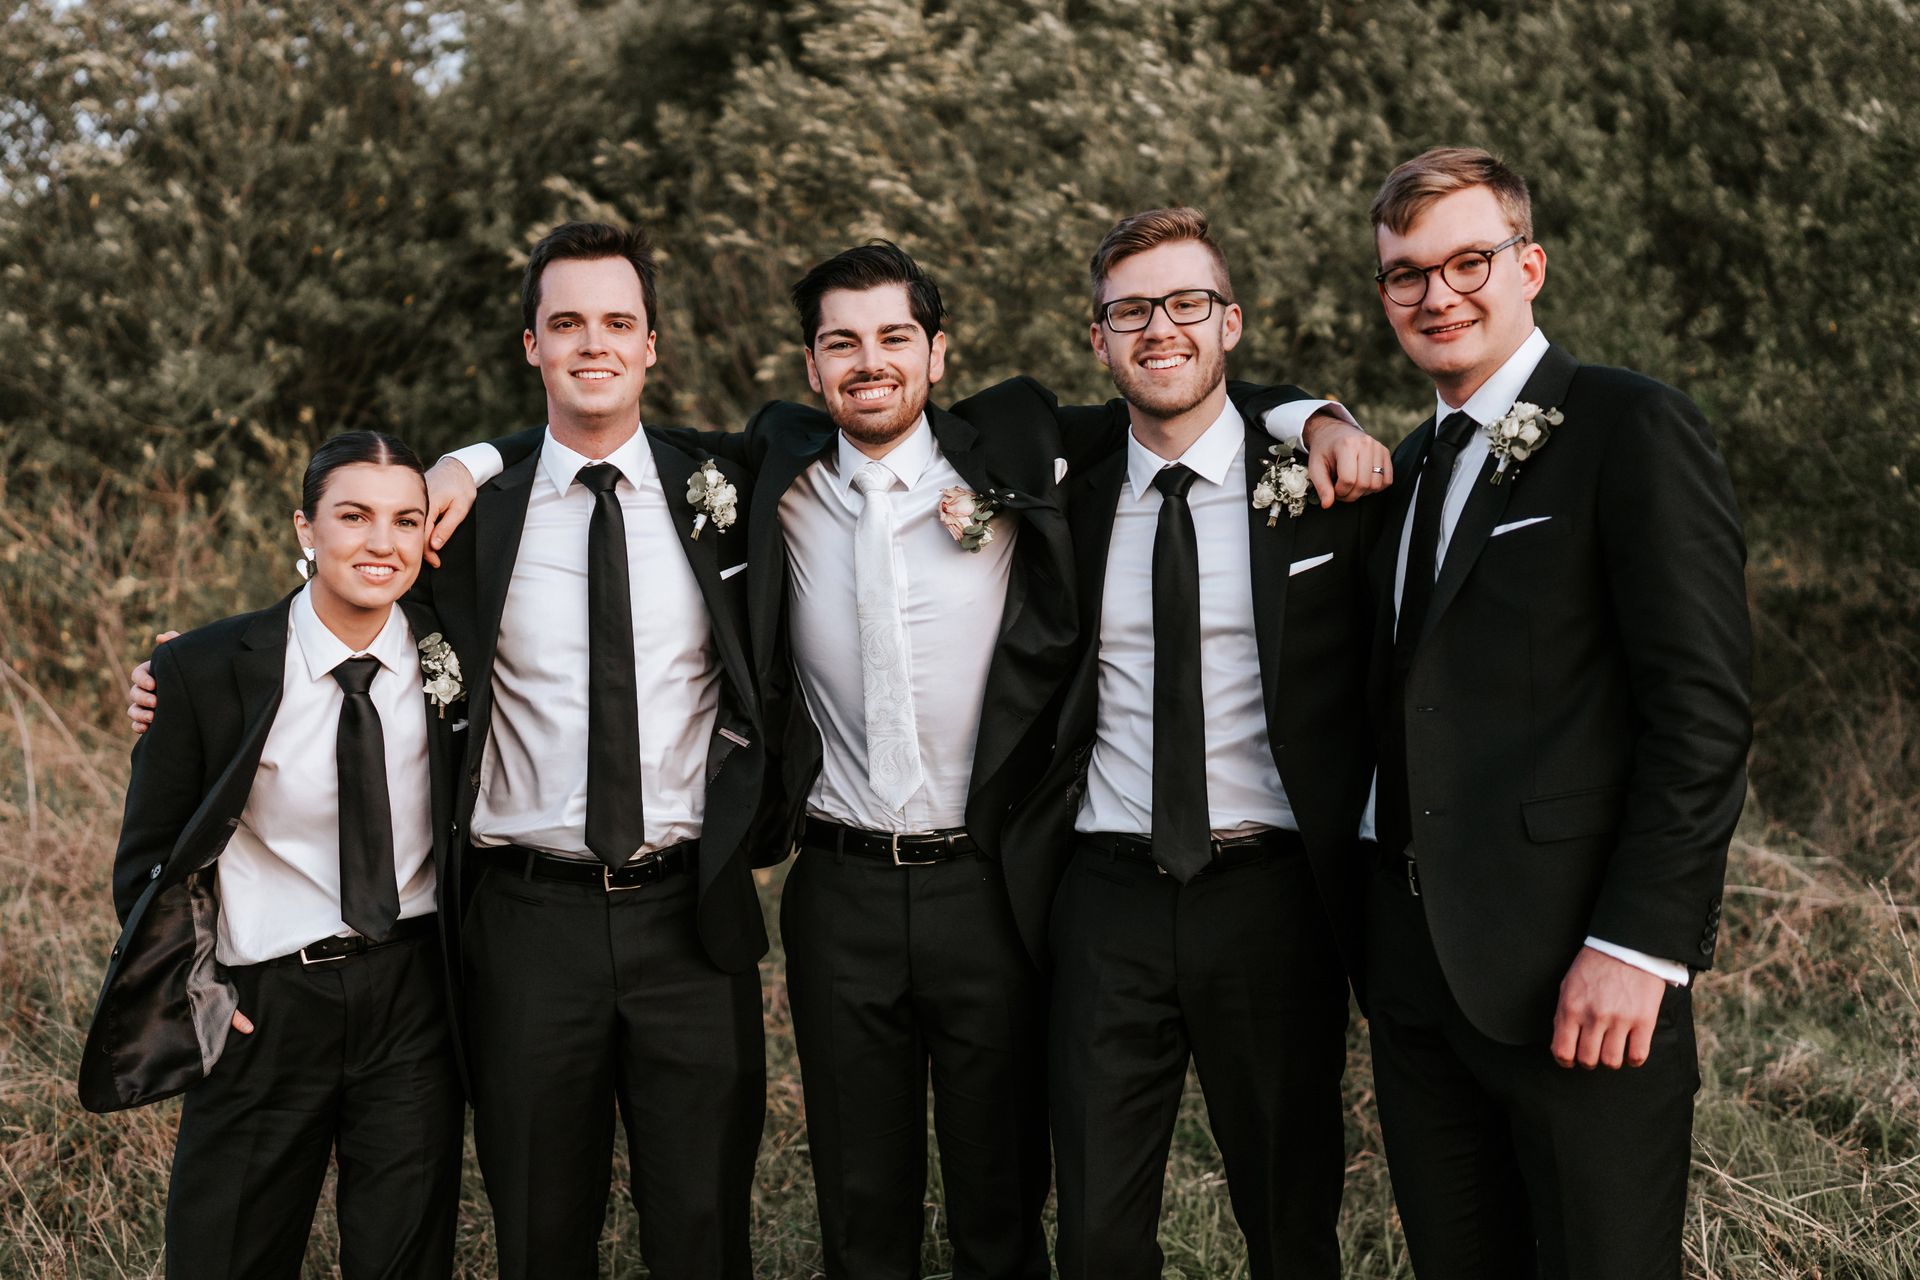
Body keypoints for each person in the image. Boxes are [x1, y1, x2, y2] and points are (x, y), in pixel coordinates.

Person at [430, 240, 1384, 1279]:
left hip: (990, 886)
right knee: (862, 1211)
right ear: (810, 369)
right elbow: (597, 425)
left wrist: (1314, 413)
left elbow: (1177, 394)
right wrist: (470, 458)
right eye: (841, 341)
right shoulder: (768, 470)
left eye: (894, 336)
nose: (868, 360)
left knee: (1003, 1204)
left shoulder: (1015, 447)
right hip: (837, 889)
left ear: (939, 354)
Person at [129, 223, 770, 1280]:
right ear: (531, 345)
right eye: (567, 323)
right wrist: (184, 672)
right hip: (524, 925)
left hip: (689, 917)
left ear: (653, 342)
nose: (593, 344)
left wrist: (474, 448)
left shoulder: (727, 485)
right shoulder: (465, 526)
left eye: (618, 321)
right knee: (537, 1223)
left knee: (703, 1227)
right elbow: (345, 595)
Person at [1358, 147, 1751, 1279]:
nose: (1438, 295)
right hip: (1422, 986)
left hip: (1583, 976)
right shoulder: (1414, 466)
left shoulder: (1629, 426)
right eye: (1406, 275)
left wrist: (1642, 942)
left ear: (1529, 264)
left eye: (1468, 260)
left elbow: (1704, 709)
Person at [992, 208, 1382, 1280]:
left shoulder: (1318, 487)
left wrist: (1316, 414)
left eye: (1186, 304)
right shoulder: (1066, 476)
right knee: (1101, 1236)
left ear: (1231, 322)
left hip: (1271, 895)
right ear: (1098, 338)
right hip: (1105, 894)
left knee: (1289, 1220)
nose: (1160, 328)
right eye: (1131, 310)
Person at [81, 432, 466, 1279]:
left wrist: (478, 461)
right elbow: (148, 859)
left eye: (407, 520)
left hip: (411, 998)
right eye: (353, 516)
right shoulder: (210, 666)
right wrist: (200, 992)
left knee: (403, 1256)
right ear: (305, 528)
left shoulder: (456, 656)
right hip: (266, 1000)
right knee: (228, 1254)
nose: (381, 543)